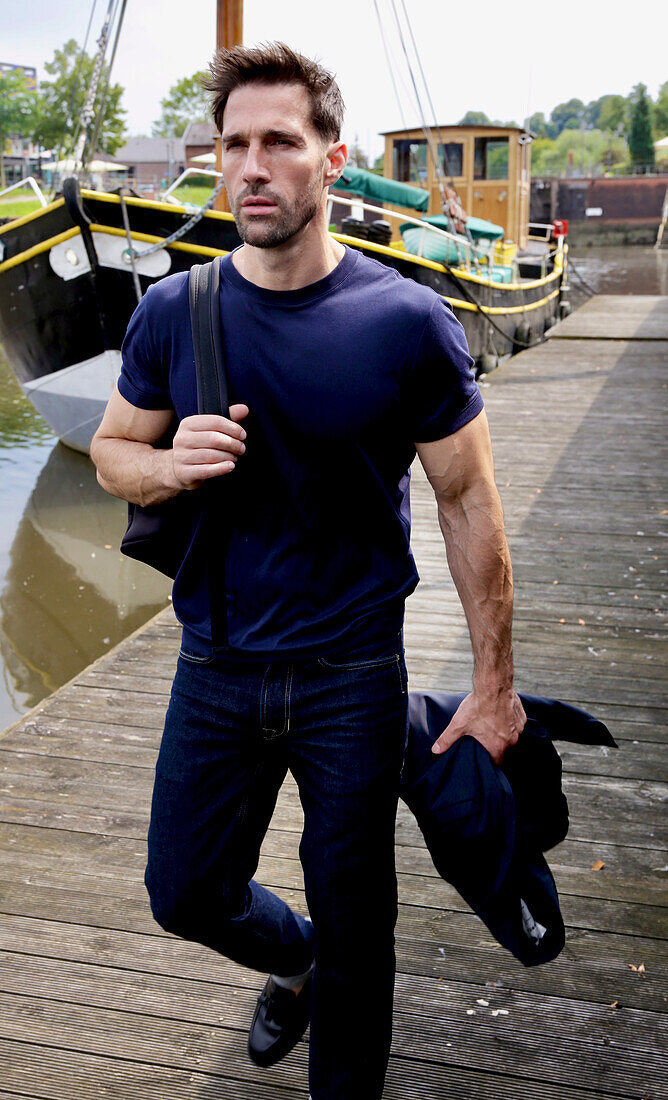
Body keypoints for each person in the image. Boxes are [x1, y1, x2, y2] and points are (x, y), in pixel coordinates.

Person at [90, 42, 525, 1100]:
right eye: (232, 144)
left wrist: (493, 680)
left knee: (361, 922)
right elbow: (110, 451)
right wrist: (162, 461)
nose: (250, 165)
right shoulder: (171, 311)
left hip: (350, 675)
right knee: (183, 889)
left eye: (277, 142)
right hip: (218, 662)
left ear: (330, 161)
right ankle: (294, 960)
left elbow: (466, 497)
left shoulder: (404, 322)